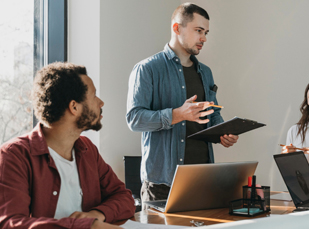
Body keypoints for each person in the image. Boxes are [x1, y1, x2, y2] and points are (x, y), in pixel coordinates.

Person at [126, 3, 238, 208]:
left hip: (202, 178)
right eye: (198, 31)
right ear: (177, 28)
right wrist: (177, 114)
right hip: (162, 183)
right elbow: (134, 119)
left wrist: (223, 133)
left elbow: (212, 115)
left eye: (206, 32)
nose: (204, 38)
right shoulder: (147, 69)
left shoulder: (206, 72)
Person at [0, 62, 135, 229]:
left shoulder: (87, 149)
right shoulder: (15, 155)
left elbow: (124, 197)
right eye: (94, 96)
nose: (101, 103)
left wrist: (97, 214)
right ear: (74, 107)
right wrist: (88, 227)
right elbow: (11, 224)